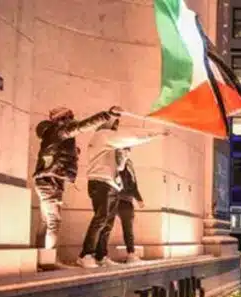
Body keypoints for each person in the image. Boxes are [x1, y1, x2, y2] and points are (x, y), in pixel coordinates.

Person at [33, 106, 115, 268]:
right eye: (69, 116)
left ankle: (42, 259)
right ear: (61, 119)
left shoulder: (53, 135)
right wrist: (106, 115)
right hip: (51, 182)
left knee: (45, 221)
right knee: (53, 222)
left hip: (47, 181)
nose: (72, 118)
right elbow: (83, 126)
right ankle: (48, 261)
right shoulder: (60, 131)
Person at [78, 116, 165, 268]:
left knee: (108, 222)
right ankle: (85, 254)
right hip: (100, 182)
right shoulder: (102, 136)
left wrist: (123, 158)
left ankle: (101, 255)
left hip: (110, 184)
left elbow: (118, 168)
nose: (116, 128)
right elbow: (131, 136)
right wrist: (155, 133)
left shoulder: (109, 143)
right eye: (115, 125)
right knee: (101, 219)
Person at [116, 152, 144, 263]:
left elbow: (132, 184)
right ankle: (131, 254)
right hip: (123, 200)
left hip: (118, 198)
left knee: (106, 227)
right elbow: (131, 184)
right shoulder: (124, 164)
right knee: (128, 228)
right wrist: (139, 199)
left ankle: (100, 255)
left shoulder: (122, 163)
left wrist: (138, 198)